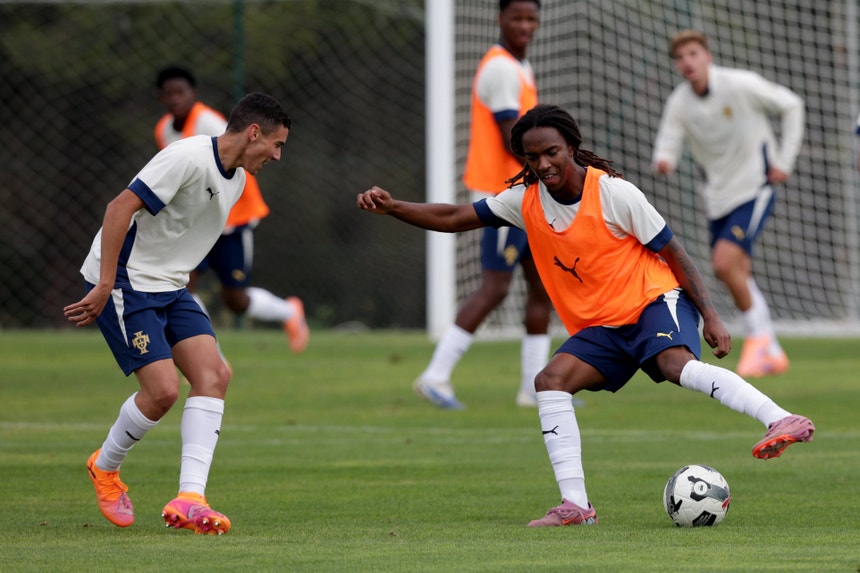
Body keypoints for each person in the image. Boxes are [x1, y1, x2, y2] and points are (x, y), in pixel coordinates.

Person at [357, 104, 814, 527]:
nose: (544, 164)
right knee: (549, 381)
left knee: (675, 366)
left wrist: (709, 315)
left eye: (552, 152)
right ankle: (577, 505)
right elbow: (457, 215)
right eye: (532, 156)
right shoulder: (525, 200)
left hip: (653, 302)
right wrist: (394, 207)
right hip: (604, 326)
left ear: (571, 147)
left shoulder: (614, 193)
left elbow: (674, 252)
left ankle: (781, 418)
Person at [64, 93, 293, 535]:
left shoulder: (237, 181)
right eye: (277, 144)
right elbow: (119, 208)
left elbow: (183, 237)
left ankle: (190, 498)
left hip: (169, 286)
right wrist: (106, 283)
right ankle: (105, 468)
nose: (278, 156)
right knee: (163, 392)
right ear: (253, 133)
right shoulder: (187, 156)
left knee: (215, 376)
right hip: (128, 282)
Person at [415, 0, 553, 410]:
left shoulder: (519, 66)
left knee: (541, 288)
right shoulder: (499, 68)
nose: (525, 25)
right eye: (517, 18)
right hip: (503, 196)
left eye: (531, 18)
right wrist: (551, 172)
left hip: (524, 195)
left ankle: (534, 386)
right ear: (500, 19)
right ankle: (435, 375)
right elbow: (515, 138)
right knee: (495, 287)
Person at [652, 30, 804, 378]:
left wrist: (785, 160)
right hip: (718, 197)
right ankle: (772, 350)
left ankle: (760, 339)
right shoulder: (680, 102)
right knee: (736, 270)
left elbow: (792, 104)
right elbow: (668, 140)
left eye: (693, 53)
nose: (687, 62)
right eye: (680, 57)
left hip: (756, 186)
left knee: (722, 263)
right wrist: (664, 160)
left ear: (708, 56)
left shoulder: (740, 84)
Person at [155, 66, 308, 355]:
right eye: (168, 93)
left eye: (180, 92)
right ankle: (210, 357)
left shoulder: (210, 123)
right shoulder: (163, 129)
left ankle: (289, 312)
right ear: (160, 98)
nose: (174, 98)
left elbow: (235, 161)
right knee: (184, 284)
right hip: (199, 219)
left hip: (233, 219)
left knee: (235, 300)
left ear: (193, 94)